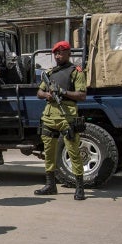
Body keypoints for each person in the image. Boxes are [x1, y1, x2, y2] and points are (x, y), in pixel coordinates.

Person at [34, 40, 87, 200]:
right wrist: (47, 94)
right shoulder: (49, 73)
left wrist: (63, 92)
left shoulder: (76, 71)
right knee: (49, 152)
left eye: (61, 53)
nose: (57, 56)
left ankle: (80, 187)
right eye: (55, 53)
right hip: (50, 116)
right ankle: (50, 185)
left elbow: (82, 95)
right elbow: (39, 92)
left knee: (73, 152)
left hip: (67, 115)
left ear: (68, 54)